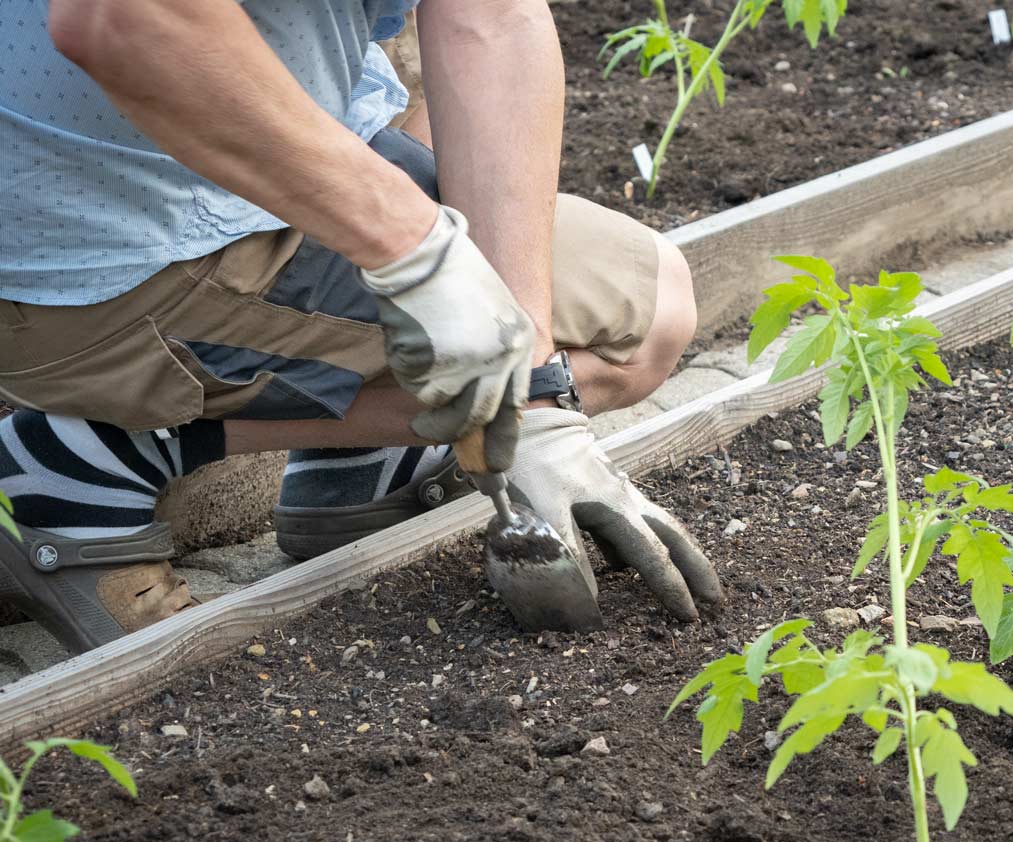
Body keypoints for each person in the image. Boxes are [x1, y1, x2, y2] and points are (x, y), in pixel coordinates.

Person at [0, 0, 722, 654]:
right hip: (92, 252)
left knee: (616, 309)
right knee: (640, 316)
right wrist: (414, 248)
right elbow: (124, 15)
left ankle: (365, 464)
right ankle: (94, 454)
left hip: (184, 176)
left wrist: (533, 392)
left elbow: (490, 18)